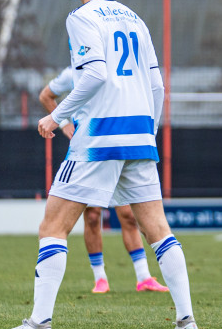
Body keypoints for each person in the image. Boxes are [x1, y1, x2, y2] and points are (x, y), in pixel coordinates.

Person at [0, 0, 198, 329]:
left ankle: (38, 326)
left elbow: (95, 76)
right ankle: (186, 321)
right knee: (159, 230)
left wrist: (57, 116)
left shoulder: (82, 17)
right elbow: (157, 86)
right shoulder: (136, 19)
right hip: (139, 136)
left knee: (53, 226)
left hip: (100, 137)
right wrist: (148, 132)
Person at [39, 67, 169, 294]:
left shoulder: (115, 68)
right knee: (92, 215)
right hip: (90, 153)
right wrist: (65, 123)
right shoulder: (74, 72)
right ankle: (100, 277)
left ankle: (144, 277)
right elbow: (45, 95)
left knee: (128, 214)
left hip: (117, 149)